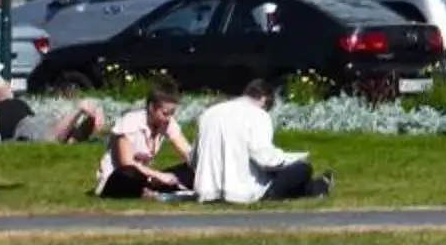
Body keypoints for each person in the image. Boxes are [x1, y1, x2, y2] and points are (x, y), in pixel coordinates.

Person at [192, 81, 331, 203]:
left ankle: (317, 187)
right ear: (264, 100)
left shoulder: (208, 113)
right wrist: (294, 157)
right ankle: (316, 187)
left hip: (207, 190)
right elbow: (266, 160)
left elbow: (195, 159)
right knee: (302, 168)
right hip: (241, 191)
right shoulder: (258, 115)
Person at [97, 82, 193, 199]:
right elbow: (126, 162)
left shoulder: (168, 123)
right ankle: (146, 189)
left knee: (190, 169)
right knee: (129, 173)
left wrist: (198, 164)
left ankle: (150, 189)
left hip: (146, 177)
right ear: (151, 107)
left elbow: (187, 152)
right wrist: (158, 175)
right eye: (165, 114)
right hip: (119, 177)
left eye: (172, 114)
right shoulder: (130, 122)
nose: (168, 118)